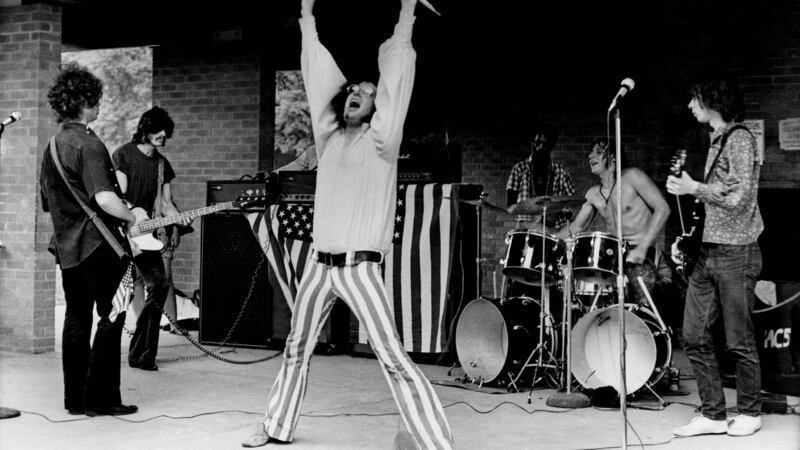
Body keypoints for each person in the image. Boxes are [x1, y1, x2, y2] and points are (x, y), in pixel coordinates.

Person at [241, 0, 454, 448]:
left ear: (380, 108)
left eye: (369, 91)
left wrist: (407, 12)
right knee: (297, 348)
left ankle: (436, 442)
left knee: (393, 356)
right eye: (354, 88)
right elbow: (316, 75)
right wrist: (305, 15)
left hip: (360, 269)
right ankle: (276, 427)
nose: (358, 91)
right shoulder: (330, 138)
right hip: (320, 266)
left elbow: (397, 78)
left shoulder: (383, 143)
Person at [39, 62, 139, 416]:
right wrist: (132, 218)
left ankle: (75, 401)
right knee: (112, 318)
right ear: (83, 102)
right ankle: (103, 399)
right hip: (102, 247)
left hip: (68, 248)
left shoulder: (52, 147)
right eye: (95, 100)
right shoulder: (90, 144)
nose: (99, 106)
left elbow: (46, 203)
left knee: (76, 319)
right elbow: (105, 200)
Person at [667, 79, 763, 437]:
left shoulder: (739, 139)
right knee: (693, 334)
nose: (691, 106)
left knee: (739, 339)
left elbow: (738, 197)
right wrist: (688, 240)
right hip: (708, 251)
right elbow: (713, 202)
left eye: (694, 99)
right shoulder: (716, 141)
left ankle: (750, 413)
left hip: (737, 252)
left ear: (712, 101)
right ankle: (713, 414)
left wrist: (695, 187)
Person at [113, 106, 191, 371]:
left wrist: (179, 217)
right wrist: (130, 218)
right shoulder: (123, 154)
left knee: (159, 285)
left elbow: (167, 203)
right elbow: (118, 196)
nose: (162, 136)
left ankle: (143, 354)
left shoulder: (162, 164)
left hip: (148, 235)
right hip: (122, 233)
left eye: (165, 132)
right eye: (157, 131)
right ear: (145, 130)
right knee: (112, 294)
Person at [554, 138, 672, 308]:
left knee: (641, 310)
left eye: (598, 152)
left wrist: (642, 247)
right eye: (590, 152)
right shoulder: (594, 194)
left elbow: (663, 208)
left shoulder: (633, 177)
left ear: (613, 158)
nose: (590, 156)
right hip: (615, 258)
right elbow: (576, 227)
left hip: (643, 254)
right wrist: (546, 234)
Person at [506, 122, 575, 224]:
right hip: (526, 229)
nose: (541, 147)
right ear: (532, 143)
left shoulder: (561, 172)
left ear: (551, 146)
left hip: (553, 231)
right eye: (538, 142)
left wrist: (565, 210)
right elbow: (510, 206)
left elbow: (572, 202)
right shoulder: (519, 169)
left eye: (545, 143)